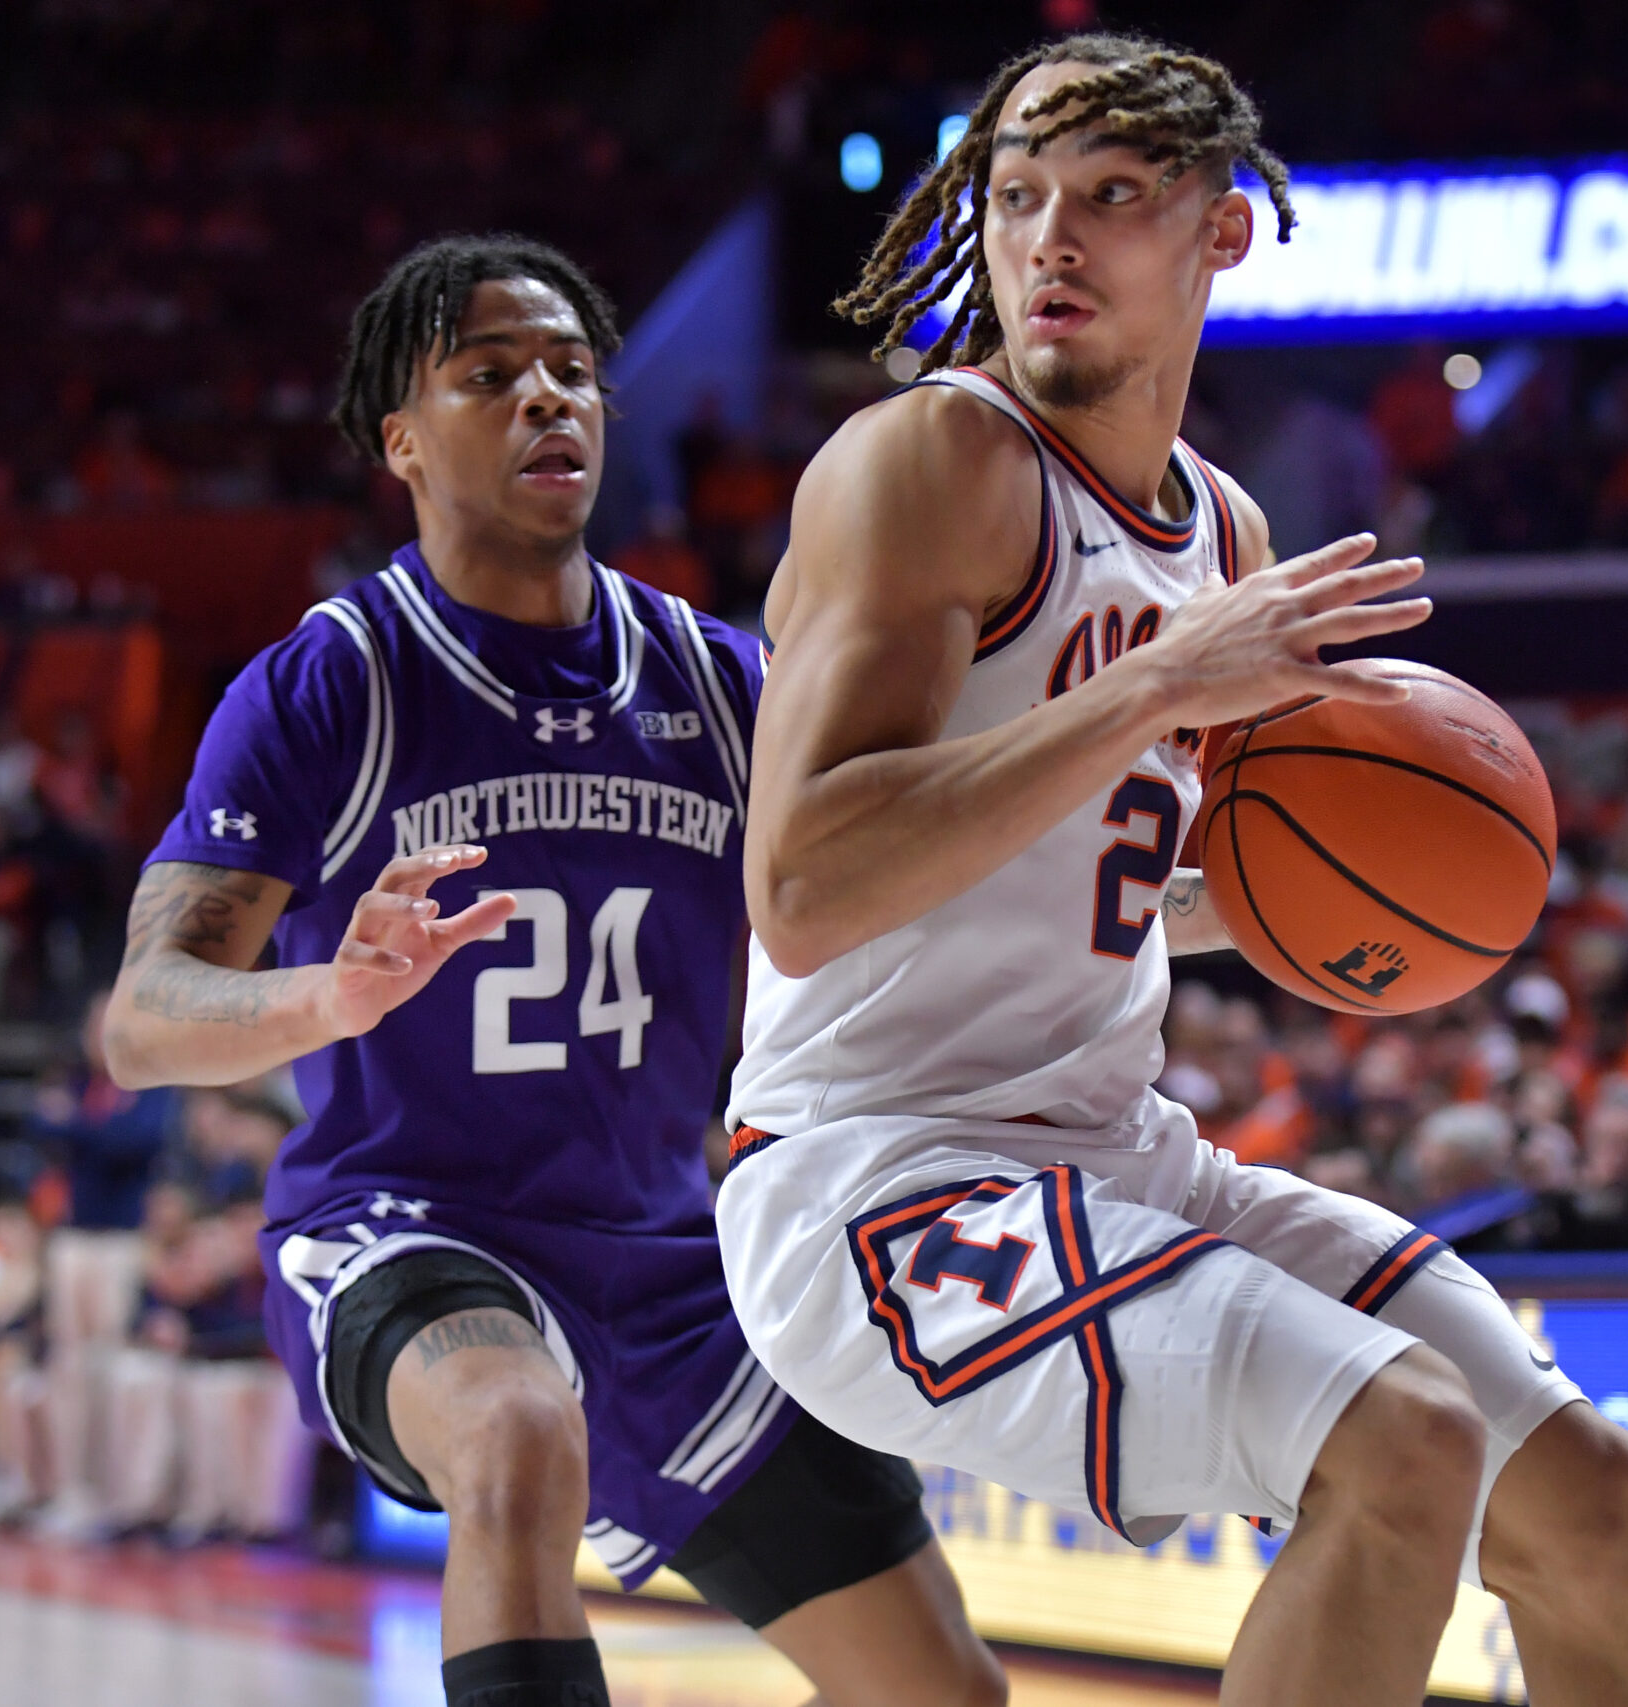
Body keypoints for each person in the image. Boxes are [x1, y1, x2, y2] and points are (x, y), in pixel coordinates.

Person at [719, 33, 1628, 1707]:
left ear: (1221, 233)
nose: (1050, 240)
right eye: (1018, 196)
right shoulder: (930, 465)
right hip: (872, 1184)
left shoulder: (1225, 535)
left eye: (1111, 199)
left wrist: (1298, 909)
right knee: (1399, 1439)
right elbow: (805, 888)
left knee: (1600, 1500)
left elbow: (1094, 875)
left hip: (1116, 1157)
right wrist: (1160, 683)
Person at [102, 235, 999, 1707]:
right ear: (401, 438)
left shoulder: (717, 682)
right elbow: (145, 1018)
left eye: (575, 371)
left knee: (941, 1682)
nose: (549, 401)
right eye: (491, 374)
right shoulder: (335, 680)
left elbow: (914, 882)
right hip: (409, 1231)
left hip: (670, 1260)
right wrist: (326, 994)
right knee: (517, 1430)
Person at [27, 989, 176, 1537]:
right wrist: (79, 1131)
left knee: (111, 1367)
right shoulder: (78, 1082)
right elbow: (39, 1127)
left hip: (119, 1241)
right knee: (69, 1369)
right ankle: (71, 1491)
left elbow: (133, 1144)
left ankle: (114, 1500)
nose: (100, 1035)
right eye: (94, 1024)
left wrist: (74, 1130)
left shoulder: (152, 1083)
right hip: (73, 1239)